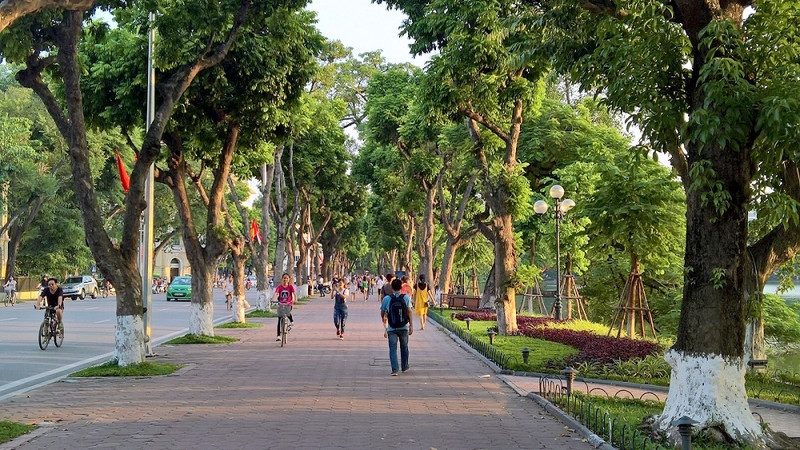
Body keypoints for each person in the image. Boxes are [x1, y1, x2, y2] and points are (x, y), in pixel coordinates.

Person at [380, 278, 413, 376]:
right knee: (404, 347)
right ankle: (405, 366)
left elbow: (382, 311)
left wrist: (383, 319)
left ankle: (395, 369)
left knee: (392, 348)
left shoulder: (387, 299)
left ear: (392, 287)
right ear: (401, 287)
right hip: (404, 326)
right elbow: (409, 311)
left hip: (392, 327)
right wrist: (411, 325)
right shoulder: (406, 298)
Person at [269, 273, 296, 341]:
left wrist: (295, 299)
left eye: (287, 278)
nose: (285, 279)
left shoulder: (290, 287)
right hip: (281, 303)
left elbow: (294, 294)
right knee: (279, 319)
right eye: (284, 278)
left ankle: (291, 322)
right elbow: (276, 293)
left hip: (288, 303)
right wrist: (272, 299)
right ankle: (278, 336)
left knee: (288, 312)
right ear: (282, 279)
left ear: (289, 279)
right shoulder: (279, 287)